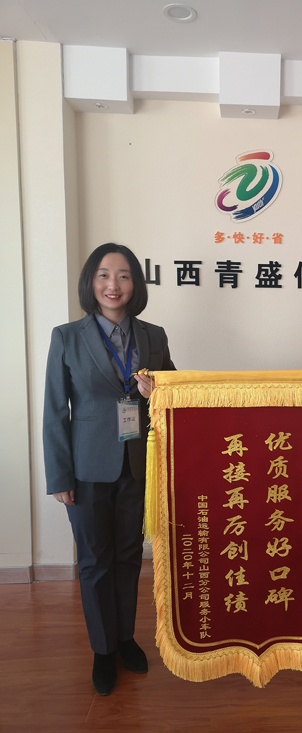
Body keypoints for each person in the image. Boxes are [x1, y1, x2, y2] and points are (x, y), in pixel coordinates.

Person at [43, 243, 175, 696]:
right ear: (91, 283)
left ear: (135, 283)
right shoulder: (67, 336)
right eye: (103, 275)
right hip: (86, 468)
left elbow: (174, 392)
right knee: (95, 559)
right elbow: (55, 411)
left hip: (137, 465)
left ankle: (124, 639)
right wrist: (59, 476)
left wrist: (156, 389)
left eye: (123, 276)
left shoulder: (153, 335)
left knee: (128, 556)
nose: (113, 285)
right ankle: (102, 650)